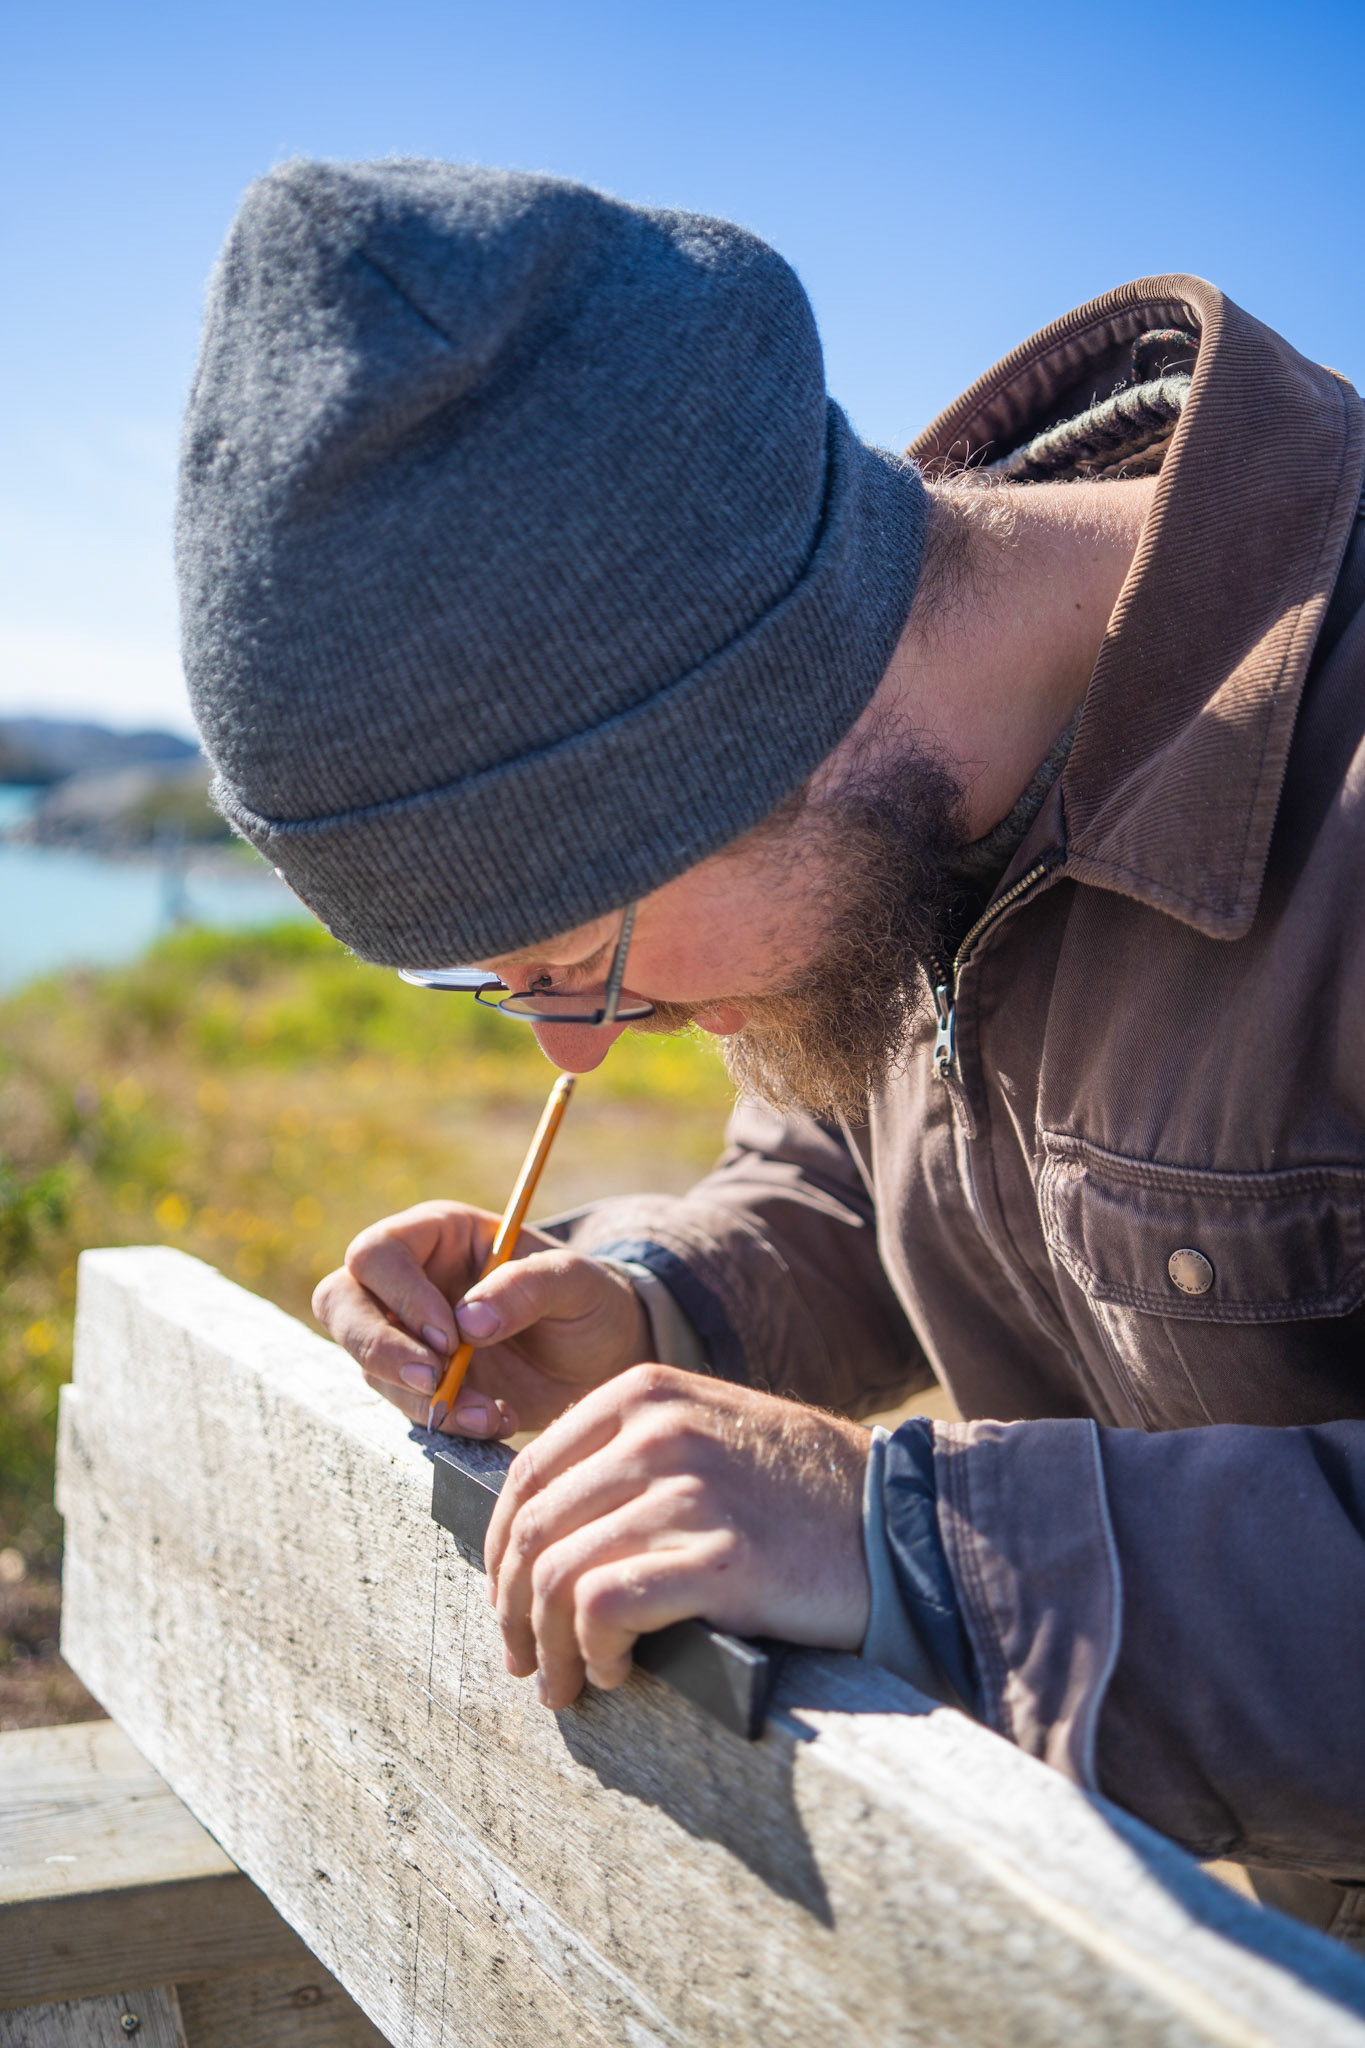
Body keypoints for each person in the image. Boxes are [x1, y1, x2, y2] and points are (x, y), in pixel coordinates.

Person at [178, 158, 1365, 1945]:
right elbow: (866, 1156)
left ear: (766, 721)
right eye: (498, 989)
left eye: (576, 952)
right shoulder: (896, 822)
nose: (574, 1051)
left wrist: (915, 1549)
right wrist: (655, 1311)